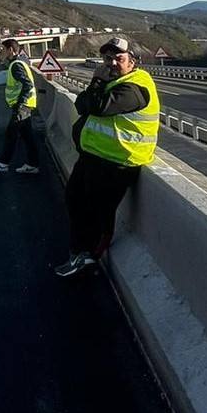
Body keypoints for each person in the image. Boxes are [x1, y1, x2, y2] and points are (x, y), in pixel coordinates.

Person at [56, 37, 160, 278]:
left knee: (96, 211)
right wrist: (97, 85)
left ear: (133, 62)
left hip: (118, 162)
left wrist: (97, 81)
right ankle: (78, 252)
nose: (112, 63)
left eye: (118, 58)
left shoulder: (135, 87)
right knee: (75, 199)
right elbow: (83, 103)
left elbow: (99, 106)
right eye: (107, 58)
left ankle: (88, 256)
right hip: (96, 156)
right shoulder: (115, 82)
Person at [0, 39, 40, 174]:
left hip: (22, 106)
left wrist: (20, 103)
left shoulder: (16, 65)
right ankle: (32, 164)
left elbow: (28, 85)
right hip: (26, 106)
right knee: (27, 136)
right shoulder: (18, 63)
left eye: (3, 49)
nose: (1, 52)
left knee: (11, 134)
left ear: (10, 50)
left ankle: (3, 163)